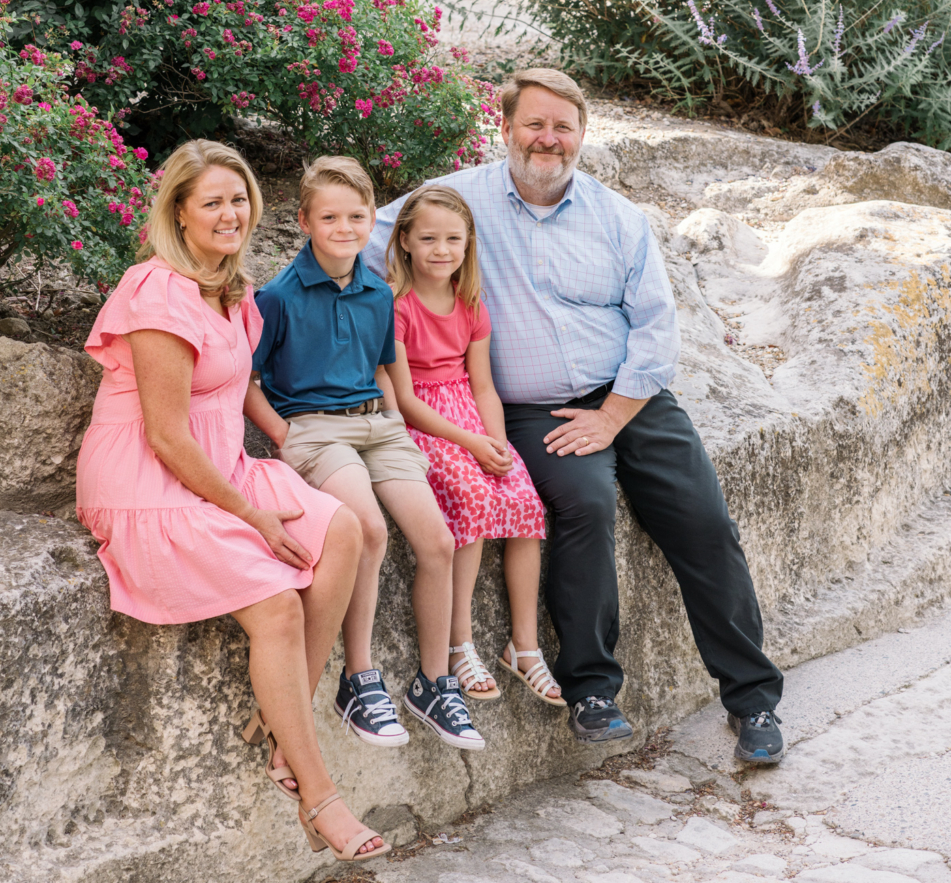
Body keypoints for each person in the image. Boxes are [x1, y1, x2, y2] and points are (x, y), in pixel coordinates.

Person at [366, 68, 786, 766]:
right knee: (584, 506)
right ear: (504, 129)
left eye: (563, 127)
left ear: (582, 136)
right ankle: (592, 692)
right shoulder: (457, 202)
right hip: (530, 408)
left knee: (704, 522)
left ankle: (753, 699)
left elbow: (655, 328)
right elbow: (358, 237)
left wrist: (614, 415)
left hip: (630, 397)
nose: (548, 139)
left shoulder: (617, 217)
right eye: (533, 124)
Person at [76, 139, 389, 865]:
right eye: (211, 201)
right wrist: (249, 515)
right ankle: (317, 792)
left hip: (221, 467)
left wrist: (270, 458)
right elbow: (164, 435)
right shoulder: (155, 291)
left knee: (340, 531)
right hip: (148, 482)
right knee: (277, 602)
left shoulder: (231, 289)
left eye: (238, 198)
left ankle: (285, 728)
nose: (229, 212)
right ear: (179, 214)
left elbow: (232, 392)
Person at [250, 155, 486, 752]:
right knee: (370, 530)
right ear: (304, 220)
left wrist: (392, 427)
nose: (345, 228)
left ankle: (434, 683)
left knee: (437, 539)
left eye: (358, 216)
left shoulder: (379, 293)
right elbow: (245, 382)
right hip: (314, 430)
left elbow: (384, 371)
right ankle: (358, 678)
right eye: (330, 216)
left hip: (376, 426)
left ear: (371, 220)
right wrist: (284, 435)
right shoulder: (277, 296)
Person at [382, 184, 564, 709]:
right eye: (430, 238)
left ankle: (523, 646)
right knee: (471, 496)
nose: (442, 250)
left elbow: (482, 385)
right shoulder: (397, 307)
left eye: (453, 240)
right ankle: (460, 641)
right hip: (428, 423)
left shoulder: (470, 304)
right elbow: (406, 398)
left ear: (468, 245)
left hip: (470, 415)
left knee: (524, 501)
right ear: (406, 242)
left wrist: (498, 446)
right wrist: (469, 444)